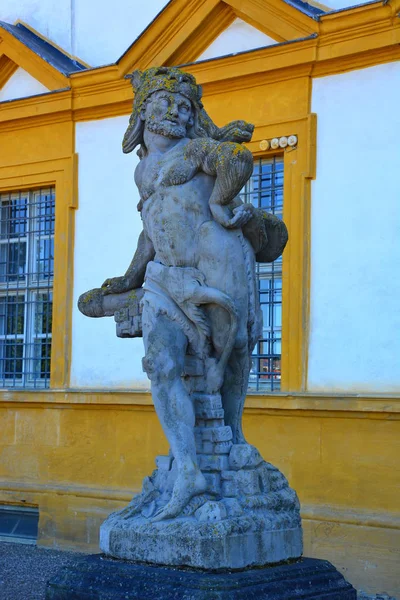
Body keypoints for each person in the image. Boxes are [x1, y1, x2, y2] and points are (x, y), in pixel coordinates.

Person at [97, 67, 286, 521]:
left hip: (213, 260)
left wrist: (221, 202)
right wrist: (129, 278)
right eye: (166, 103)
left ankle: (234, 438)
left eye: (185, 105)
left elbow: (238, 162)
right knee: (161, 366)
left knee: (233, 349)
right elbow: (151, 226)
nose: (176, 111)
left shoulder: (199, 149)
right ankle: (187, 472)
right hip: (165, 277)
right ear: (143, 113)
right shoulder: (143, 170)